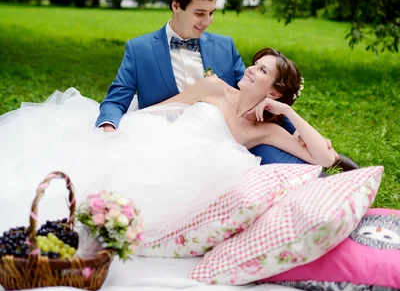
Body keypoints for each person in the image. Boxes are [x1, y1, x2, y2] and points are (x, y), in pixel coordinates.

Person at [0, 47, 335, 241]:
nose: (250, 68)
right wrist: (118, 132)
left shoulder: (267, 130)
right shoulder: (214, 87)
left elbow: (324, 157)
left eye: (262, 70)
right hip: (153, 140)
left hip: (187, 172)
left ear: (274, 91)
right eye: (255, 63)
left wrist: (287, 110)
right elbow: (162, 111)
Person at [95, 0, 358, 170]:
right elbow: (120, 101)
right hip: (163, 135)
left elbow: (254, 91)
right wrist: (112, 132)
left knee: (278, 159)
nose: (207, 22)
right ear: (176, 5)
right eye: (200, 13)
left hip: (222, 149)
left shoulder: (224, 46)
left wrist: (292, 124)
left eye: (211, 13)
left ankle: (320, 179)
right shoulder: (139, 49)